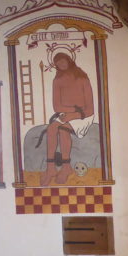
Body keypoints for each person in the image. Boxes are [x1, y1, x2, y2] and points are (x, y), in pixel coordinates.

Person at [41, 53, 94, 185]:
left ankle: (66, 167)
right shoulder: (57, 80)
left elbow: (90, 109)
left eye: (62, 61)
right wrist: (72, 112)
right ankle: (50, 168)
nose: (61, 64)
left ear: (68, 60)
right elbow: (57, 106)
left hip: (84, 116)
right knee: (52, 128)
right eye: (57, 63)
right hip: (67, 114)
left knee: (63, 129)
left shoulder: (82, 77)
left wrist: (76, 114)